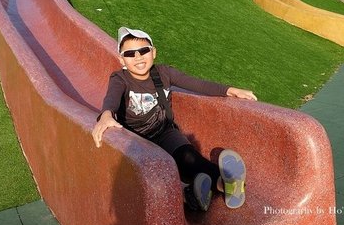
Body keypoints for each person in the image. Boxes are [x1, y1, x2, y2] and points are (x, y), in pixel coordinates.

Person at [92, 27, 257, 211]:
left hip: (164, 130)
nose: (138, 57)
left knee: (189, 157)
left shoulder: (164, 73)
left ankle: (224, 184)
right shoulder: (120, 79)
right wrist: (106, 115)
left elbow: (196, 83)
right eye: (130, 54)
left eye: (144, 50)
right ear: (121, 59)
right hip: (136, 139)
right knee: (158, 171)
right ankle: (189, 195)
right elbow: (111, 98)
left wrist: (229, 90)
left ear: (153, 52)